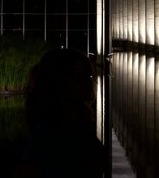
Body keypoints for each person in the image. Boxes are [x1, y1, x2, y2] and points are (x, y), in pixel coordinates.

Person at [13, 48, 105, 178]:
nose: (89, 83)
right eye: (80, 77)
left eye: (90, 76)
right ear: (59, 82)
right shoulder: (48, 134)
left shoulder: (79, 123)